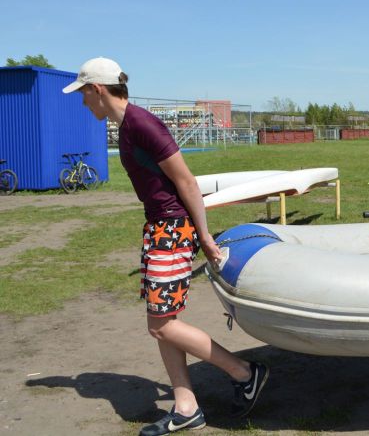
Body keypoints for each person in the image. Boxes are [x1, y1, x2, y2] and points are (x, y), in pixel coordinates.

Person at [63, 58, 268, 436]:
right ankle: (186, 407)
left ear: (98, 89)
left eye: (83, 94)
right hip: (159, 227)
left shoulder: (142, 124)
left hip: (172, 229)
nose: (83, 102)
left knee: (160, 326)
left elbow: (186, 181)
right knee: (164, 321)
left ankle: (244, 372)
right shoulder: (127, 126)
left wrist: (204, 237)